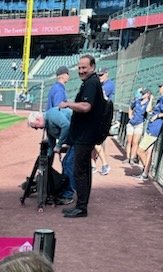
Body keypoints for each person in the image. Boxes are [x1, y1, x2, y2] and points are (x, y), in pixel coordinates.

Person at [59, 54, 104, 218]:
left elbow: (86, 107)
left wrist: (68, 103)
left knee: (80, 171)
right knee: (84, 170)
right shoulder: (91, 82)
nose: (81, 70)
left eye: (84, 67)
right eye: (79, 68)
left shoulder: (91, 83)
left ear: (92, 67)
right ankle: (81, 205)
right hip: (86, 135)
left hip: (86, 136)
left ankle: (81, 207)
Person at [27, 109, 75, 202]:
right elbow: (51, 142)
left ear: (38, 119)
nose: (37, 129)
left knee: (68, 163)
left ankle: (68, 194)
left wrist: (59, 145)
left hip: (80, 138)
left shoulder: (52, 115)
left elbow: (66, 126)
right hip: (75, 141)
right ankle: (65, 190)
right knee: (66, 163)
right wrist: (48, 159)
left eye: (35, 126)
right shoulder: (47, 125)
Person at [135, 81, 163, 182]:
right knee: (148, 152)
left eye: (161, 87)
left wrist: (158, 116)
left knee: (140, 151)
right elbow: (148, 110)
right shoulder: (161, 98)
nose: (159, 88)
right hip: (151, 127)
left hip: (154, 129)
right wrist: (151, 99)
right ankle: (145, 173)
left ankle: (147, 169)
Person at [93, 68, 116, 176]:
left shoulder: (109, 84)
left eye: (101, 75)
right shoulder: (100, 85)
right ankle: (93, 165)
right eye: (98, 75)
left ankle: (105, 165)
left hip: (103, 117)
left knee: (96, 143)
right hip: (98, 116)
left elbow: (100, 97)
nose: (99, 77)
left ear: (106, 74)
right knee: (94, 143)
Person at [125, 88, 152, 164]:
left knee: (135, 142)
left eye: (144, 94)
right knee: (129, 141)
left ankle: (132, 158)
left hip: (139, 124)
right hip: (131, 123)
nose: (142, 95)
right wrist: (130, 115)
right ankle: (128, 157)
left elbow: (148, 110)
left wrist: (150, 100)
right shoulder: (137, 101)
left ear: (147, 95)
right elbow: (131, 107)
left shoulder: (147, 104)